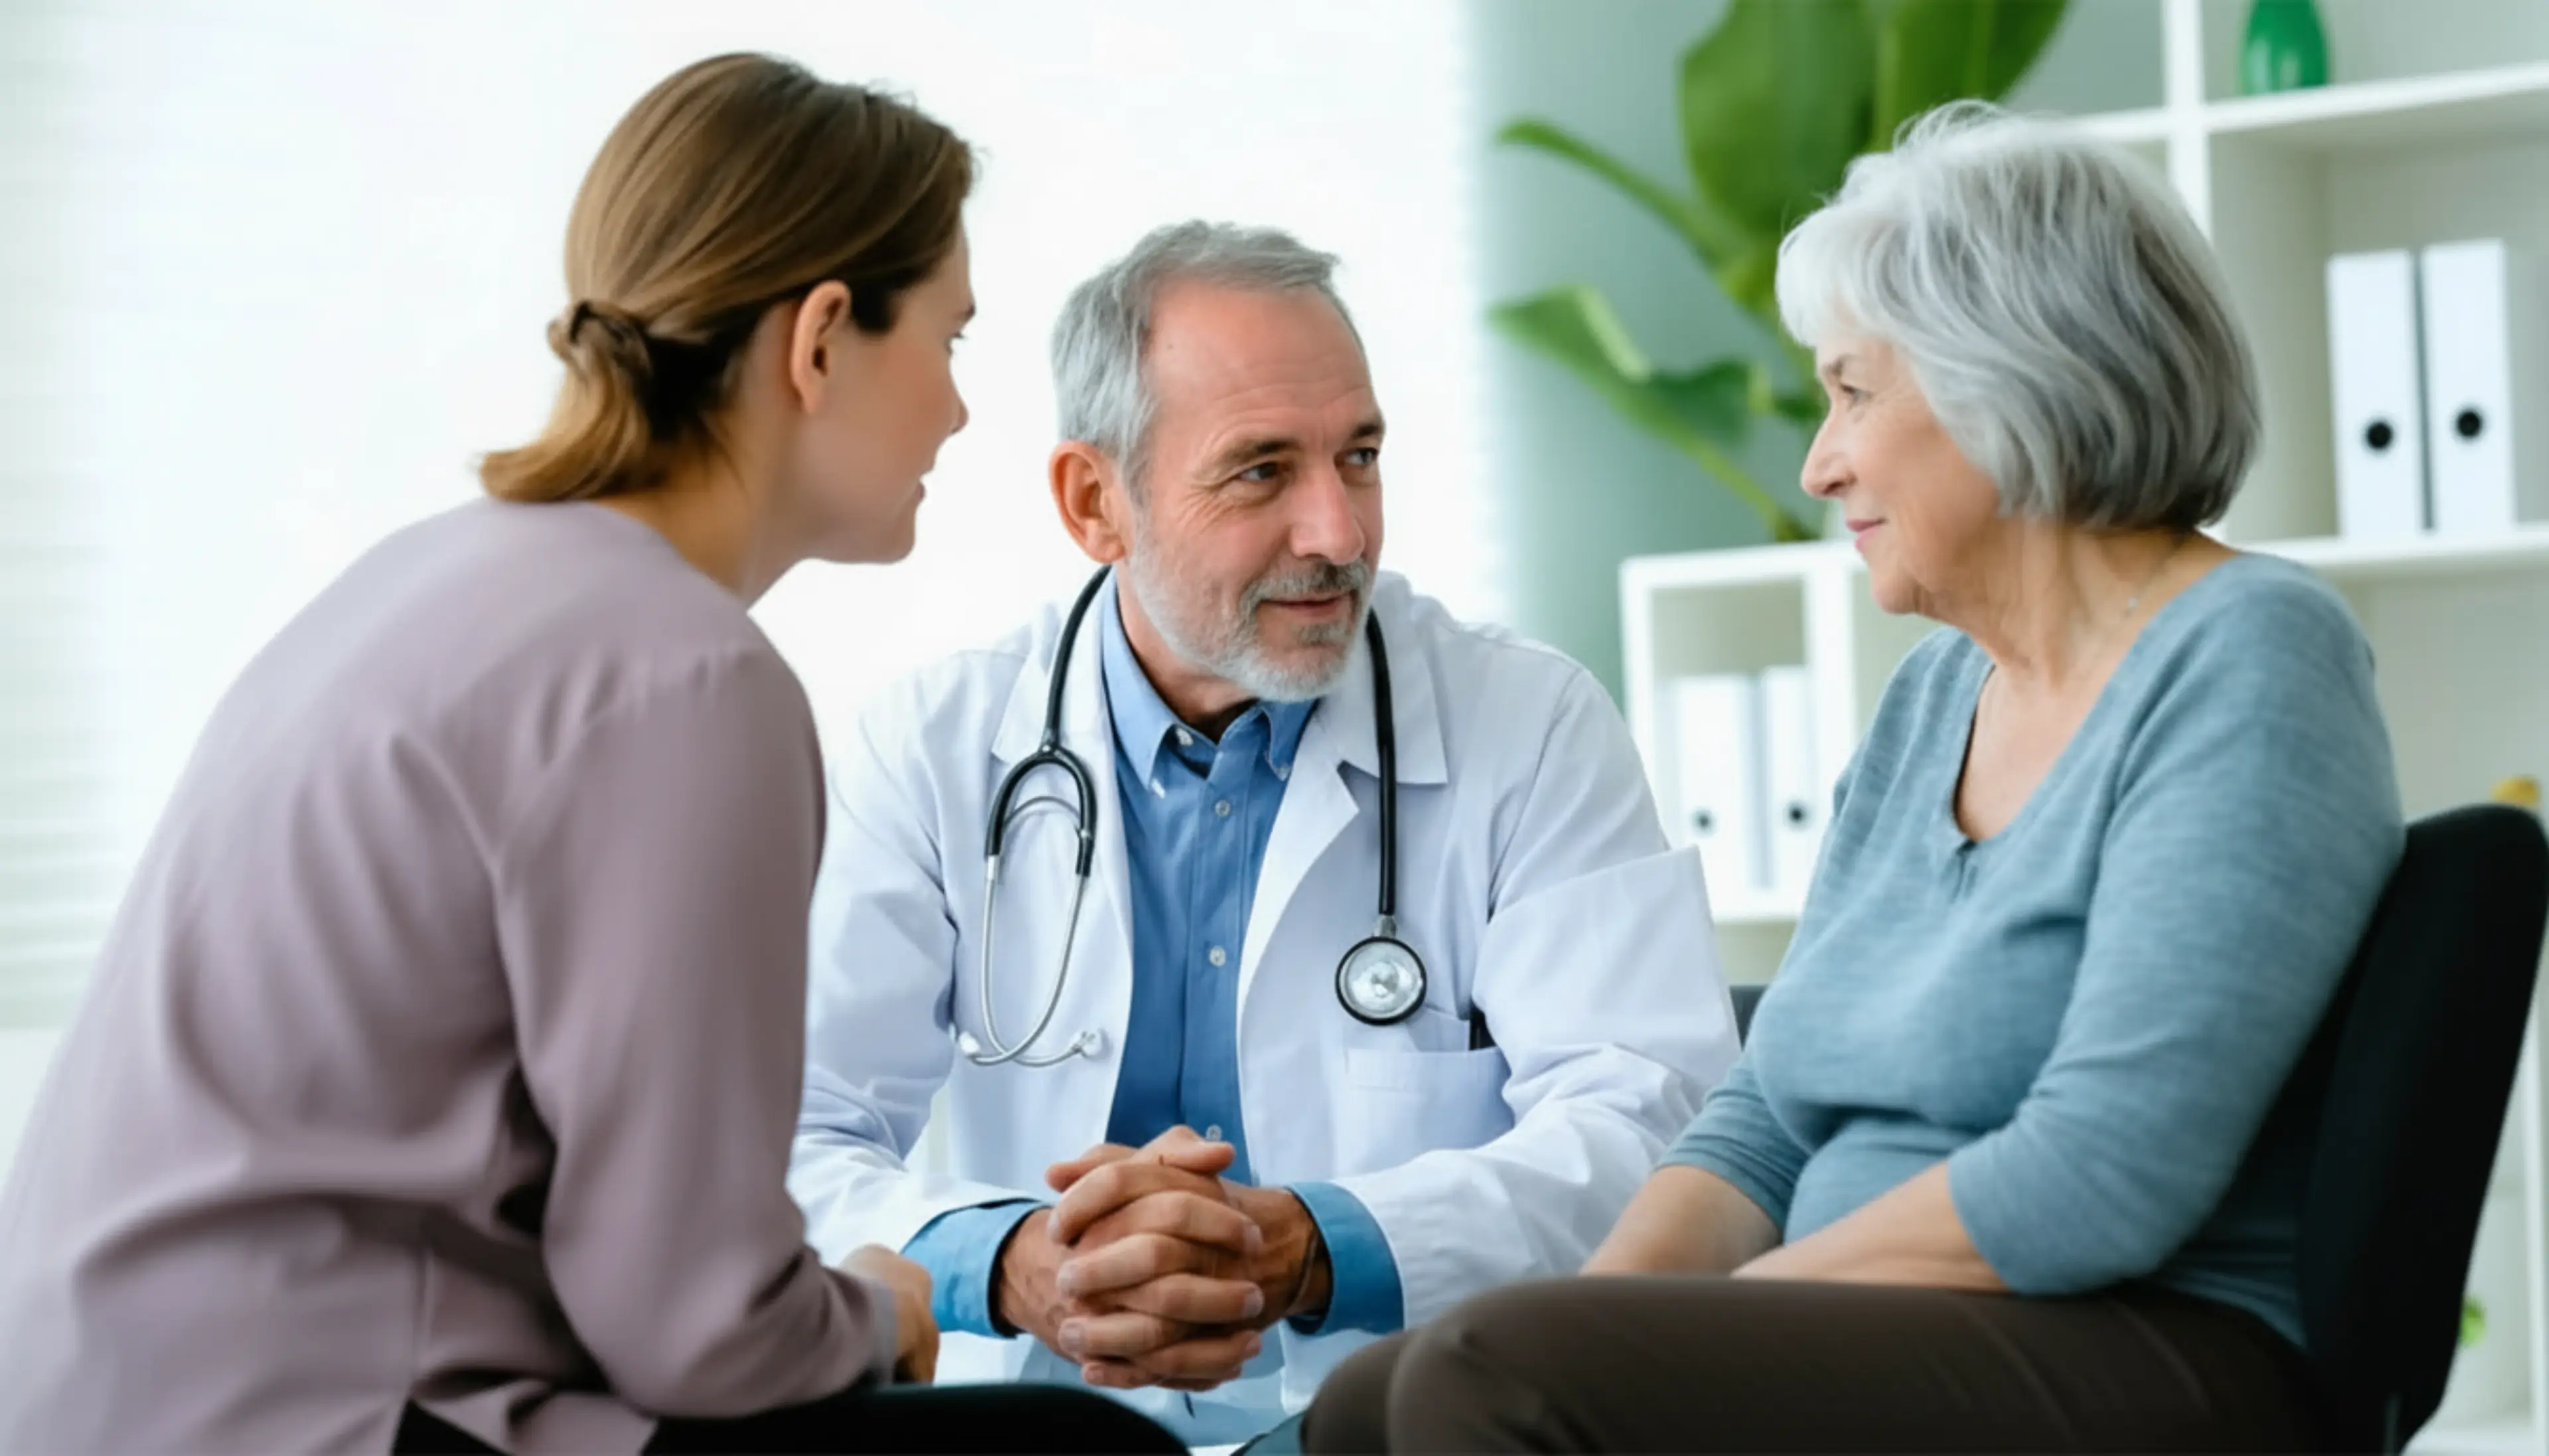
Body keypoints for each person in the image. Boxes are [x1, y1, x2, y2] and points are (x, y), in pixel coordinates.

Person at [0, 53, 1176, 1456]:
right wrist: (884, 1312)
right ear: (817, 339)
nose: (960, 411)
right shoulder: (679, 675)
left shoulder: (432, 576)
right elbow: (699, 1328)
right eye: (950, 339)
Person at [1302, 102, 2406, 1454]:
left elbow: (2102, 1175)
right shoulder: (1936, 694)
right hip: (1891, 1335)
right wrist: (1605, 1316)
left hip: (2147, 1338)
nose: (1820, 461)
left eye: (1852, 391)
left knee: (1501, 1378)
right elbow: (1765, 1118)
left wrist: (1691, 1332)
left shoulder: (2248, 653)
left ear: (2014, 377)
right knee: (1373, 1400)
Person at [789, 220, 1740, 1444]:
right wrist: (1008, 1257)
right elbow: (793, 1140)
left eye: (1360, 457)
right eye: (1262, 471)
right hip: (1036, 1419)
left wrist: (1313, 1245)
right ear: (1096, 502)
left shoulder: (1532, 721)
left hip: (1400, 1416)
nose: (1338, 533)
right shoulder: (930, 743)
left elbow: (1655, 1124)